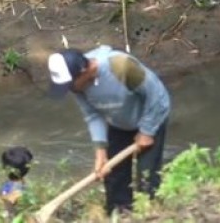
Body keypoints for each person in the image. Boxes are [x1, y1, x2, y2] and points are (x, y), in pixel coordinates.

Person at [48, 46, 171, 215]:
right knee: (113, 174)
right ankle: (120, 213)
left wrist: (147, 131)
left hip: (151, 116)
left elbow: (157, 95)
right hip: (117, 122)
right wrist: (100, 152)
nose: (70, 89)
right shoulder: (77, 86)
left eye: (70, 85)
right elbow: (92, 114)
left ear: (85, 71)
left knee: (147, 175)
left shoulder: (120, 66)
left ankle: (150, 213)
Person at [0, 146, 33, 219]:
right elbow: (11, 200)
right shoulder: (19, 190)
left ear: (4, 168)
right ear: (28, 168)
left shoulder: (7, 184)